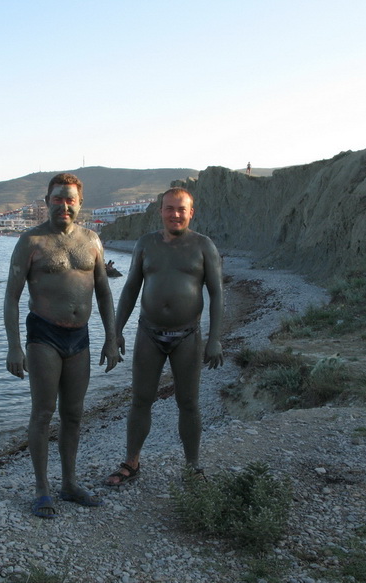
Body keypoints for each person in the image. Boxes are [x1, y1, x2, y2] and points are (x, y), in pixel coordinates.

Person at [4, 172, 121, 518]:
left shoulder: (92, 240)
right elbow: (11, 297)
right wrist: (14, 346)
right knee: (43, 413)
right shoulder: (31, 241)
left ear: (80, 203)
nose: (64, 205)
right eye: (57, 198)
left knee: (74, 413)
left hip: (80, 337)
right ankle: (42, 489)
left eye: (70, 199)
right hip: (44, 334)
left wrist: (111, 338)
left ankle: (69, 483)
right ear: (47, 202)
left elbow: (104, 293)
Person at [105, 187, 224, 486]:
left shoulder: (203, 246)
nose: (175, 214)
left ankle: (193, 466)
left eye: (181, 209)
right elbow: (131, 289)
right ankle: (131, 462)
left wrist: (215, 338)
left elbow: (217, 294)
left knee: (189, 403)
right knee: (140, 400)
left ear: (191, 212)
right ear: (160, 211)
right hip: (149, 333)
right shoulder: (146, 244)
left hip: (188, 335)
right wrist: (116, 332)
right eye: (169, 208)